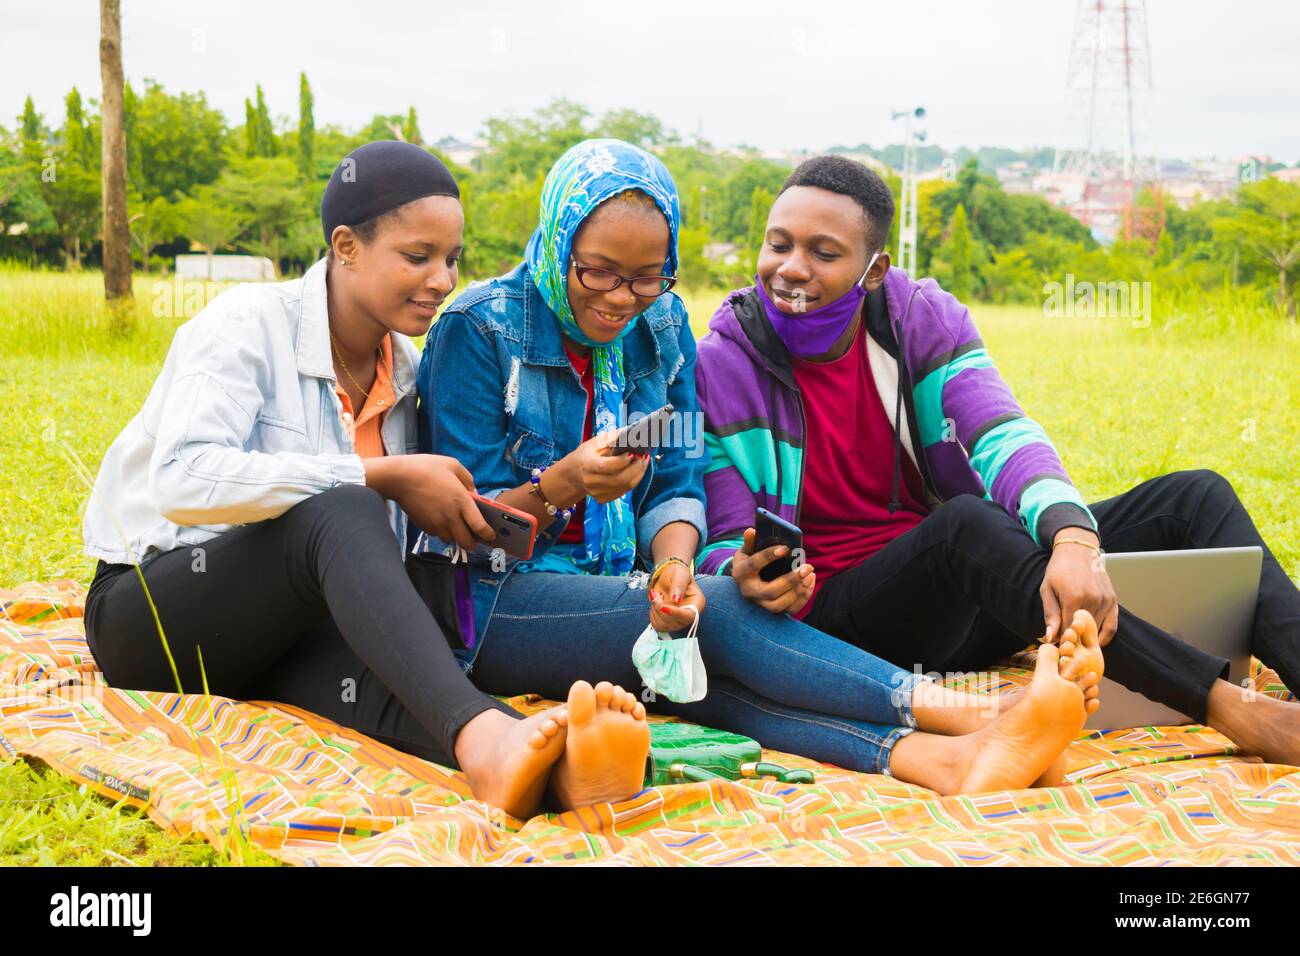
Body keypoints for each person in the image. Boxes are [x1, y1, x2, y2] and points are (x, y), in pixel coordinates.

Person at [417, 137, 1105, 794]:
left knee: (705, 667)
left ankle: (940, 761)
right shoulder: (479, 332)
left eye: (648, 277)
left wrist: (675, 566)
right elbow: (467, 536)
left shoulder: (660, 330)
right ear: (559, 243)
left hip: (619, 585)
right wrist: (560, 486)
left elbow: (679, 479)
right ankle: (977, 716)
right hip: (496, 605)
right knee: (719, 616)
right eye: (598, 271)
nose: (622, 298)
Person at [80, 140, 654, 820]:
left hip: (280, 630)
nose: (442, 279)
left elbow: (371, 560)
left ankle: (524, 758)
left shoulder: (406, 367)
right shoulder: (245, 325)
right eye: (418, 256)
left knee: (398, 665)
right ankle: (500, 741)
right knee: (344, 507)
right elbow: (183, 475)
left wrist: (493, 508)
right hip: (156, 617)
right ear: (346, 246)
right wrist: (378, 476)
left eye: (452, 259)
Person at [695, 154, 1300, 765]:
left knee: (1194, 497)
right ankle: (1227, 707)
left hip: (977, 594)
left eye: (823, 253)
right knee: (967, 525)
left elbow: (1000, 432)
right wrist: (741, 574)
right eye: (778, 245)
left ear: (874, 270)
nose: (791, 269)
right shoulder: (722, 362)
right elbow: (719, 536)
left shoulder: (920, 321)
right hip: (844, 620)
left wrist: (1072, 540)